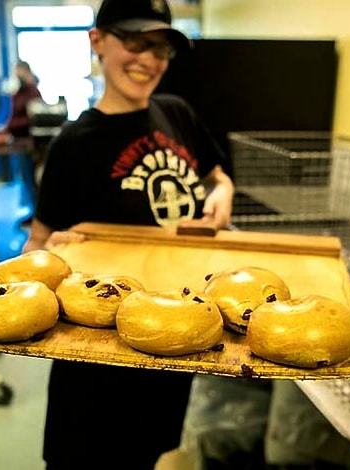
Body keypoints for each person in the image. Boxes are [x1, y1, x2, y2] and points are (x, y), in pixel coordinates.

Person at [22, 0, 234, 468]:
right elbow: (37, 243)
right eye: (135, 42)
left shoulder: (176, 112)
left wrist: (222, 191)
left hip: (173, 328)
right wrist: (44, 271)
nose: (149, 60)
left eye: (160, 49)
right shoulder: (74, 144)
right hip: (99, 351)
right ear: (97, 41)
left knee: (146, 453)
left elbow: (217, 174)